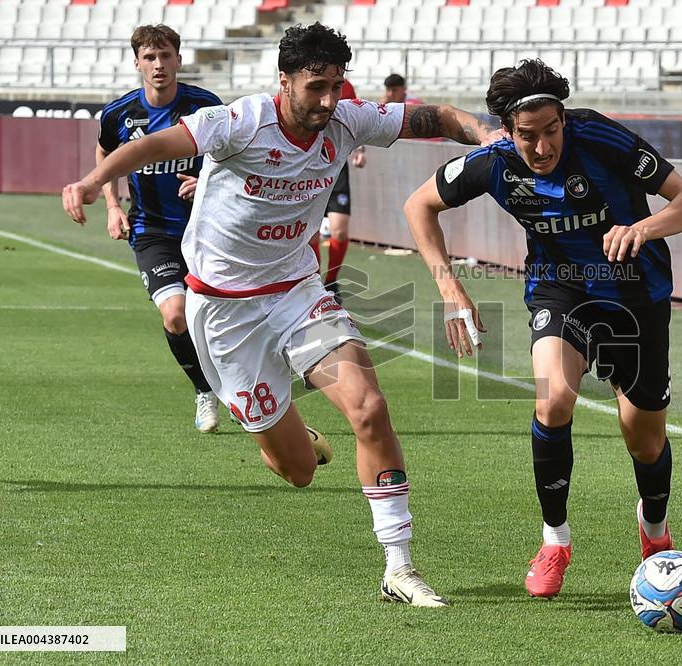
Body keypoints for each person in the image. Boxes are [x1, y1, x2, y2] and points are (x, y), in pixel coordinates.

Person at [63, 22, 497, 607]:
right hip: (223, 313)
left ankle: (399, 567)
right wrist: (94, 181)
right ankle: (293, 434)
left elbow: (436, 118)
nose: (327, 101)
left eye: (335, 87)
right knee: (297, 470)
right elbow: (149, 146)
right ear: (284, 80)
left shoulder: (348, 118)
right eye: (315, 86)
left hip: (297, 291)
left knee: (369, 408)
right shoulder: (239, 122)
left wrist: (487, 137)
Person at [403, 60, 682, 599]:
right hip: (559, 289)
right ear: (507, 130)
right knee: (554, 400)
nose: (542, 147)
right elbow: (418, 205)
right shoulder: (494, 162)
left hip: (636, 294)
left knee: (643, 438)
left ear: (564, 120)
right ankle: (554, 540)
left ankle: (655, 533)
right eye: (528, 136)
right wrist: (452, 291)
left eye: (551, 131)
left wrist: (640, 227)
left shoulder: (602, 139)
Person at [96, 24, 223, 433]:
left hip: (208, 229)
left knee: (224, 319)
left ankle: (248, 386)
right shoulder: (119, 113)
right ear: (137, 63)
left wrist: (205, 180)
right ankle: (205, 391)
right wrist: (113, 205)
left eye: (165, 56)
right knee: (175, 316)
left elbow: (235, 158)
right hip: (152, 231)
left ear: (178, 60)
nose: (158, 65)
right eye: (149, 58)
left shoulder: (206, 107)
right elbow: (105, 152)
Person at [318, 78, 365, 301]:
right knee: (310, 234)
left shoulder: (344, 86)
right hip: (307, 166)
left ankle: (331, 282)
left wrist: (360, 149)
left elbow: (355, 119)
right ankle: (311, 284)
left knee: (339, 229)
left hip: (336, 166)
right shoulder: (305, 81)